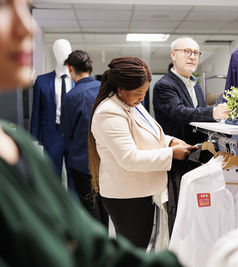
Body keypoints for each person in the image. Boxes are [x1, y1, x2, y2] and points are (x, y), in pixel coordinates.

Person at [0, 0, 182, 266]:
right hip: (73, 155)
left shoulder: (19, 146)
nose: (28, 27)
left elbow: (86, 245)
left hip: (76, 155)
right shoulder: (57, 90)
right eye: (4, 7)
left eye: (25, 8)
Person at [88, 56, 196, 248]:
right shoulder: (109, 112)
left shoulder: (132, 104)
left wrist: (170, 141)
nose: (142, 97)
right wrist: (171, 154)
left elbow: (151, 133)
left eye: (145, 92)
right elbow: (129, 159)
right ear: (121, 89)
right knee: (133, 250)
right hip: (126, 196)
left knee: (141, 245)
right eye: (139, 92)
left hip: (141, 189)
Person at [60, 50, 108, 227]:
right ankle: (105, 247)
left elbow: (66, 130)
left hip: (82, 162)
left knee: (90, 209)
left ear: (70, 68)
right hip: (105, 160)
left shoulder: (72, 97)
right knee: (104, 207)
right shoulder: (105, 90)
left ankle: (98, 250)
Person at [153, 37, 229, 145]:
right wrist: (213, 112)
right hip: (178, 152)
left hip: (199, 150)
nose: (192, 57)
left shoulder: (196, 86)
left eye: (196, 53)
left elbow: (199, 113)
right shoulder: (164, 85)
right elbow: (179, 112)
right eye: (187, 52)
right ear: (174, 55)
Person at [30, 39, 74, 185]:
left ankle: (73, 207)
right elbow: (36, 111)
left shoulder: (78, 81)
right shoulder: (42, 81)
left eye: (66, 50)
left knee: (75, 179)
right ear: (54, 53)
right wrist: (33, 139)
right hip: (51, 135)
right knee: (52, 179)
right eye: (59, 50)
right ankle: (54, 207)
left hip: (74, 137)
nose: (64, 54)